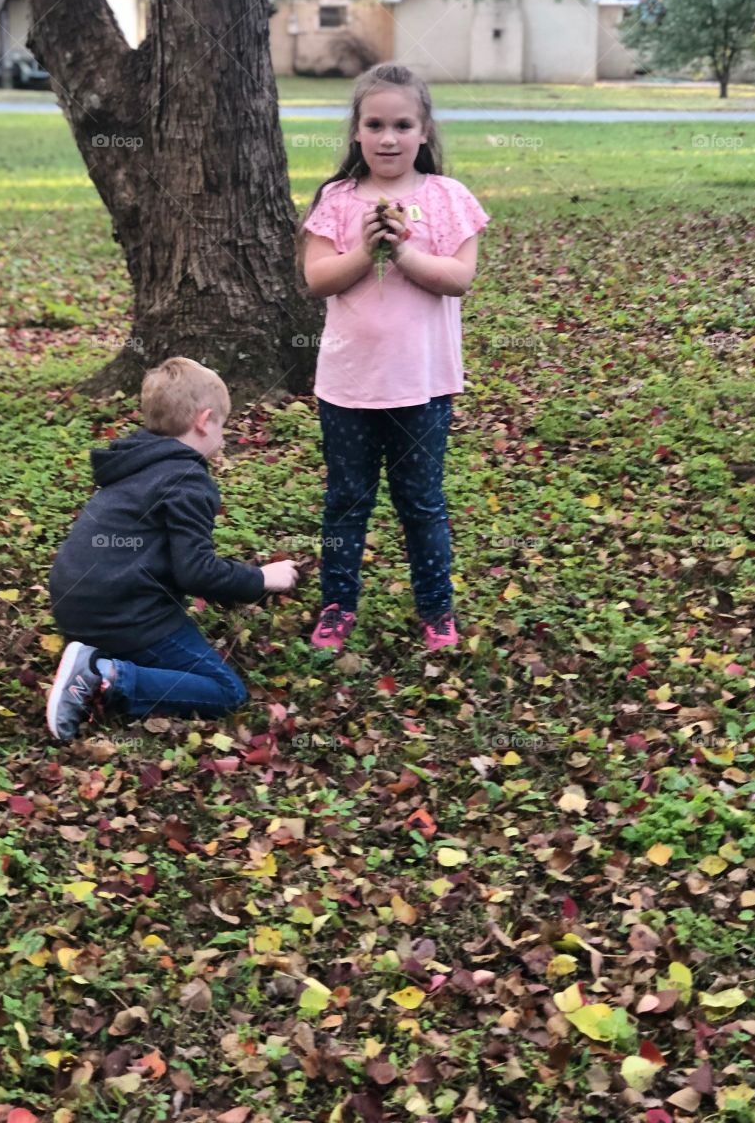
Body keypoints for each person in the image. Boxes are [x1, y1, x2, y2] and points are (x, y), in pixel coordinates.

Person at [298, 62, 489, 655]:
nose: (388, 138)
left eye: (402, 125)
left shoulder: (448, 198)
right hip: (348, 386)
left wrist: (402, 251)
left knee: (422, 502)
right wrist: (365, 249)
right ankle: (337, 605)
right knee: (346, 501)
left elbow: (458, 278)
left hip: (422, 385)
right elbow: (318, 279)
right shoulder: (336, 200)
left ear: (424, 130)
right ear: (356, 131)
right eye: (375, 125)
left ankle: (436, 608)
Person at [45, 357, 298, 741]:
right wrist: (261, 578)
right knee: (227, 691)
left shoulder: (137, 459)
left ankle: (93, 657)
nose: (223, 437)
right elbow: (195, 572)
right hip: (124, 615)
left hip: (76, 606)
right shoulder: (188, 480)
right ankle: (103, 673)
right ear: (204, 420)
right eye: (223, 425)